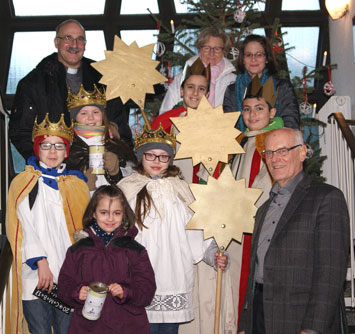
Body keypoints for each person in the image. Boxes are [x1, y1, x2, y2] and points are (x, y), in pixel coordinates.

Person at [118, 123, 228, 334]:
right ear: (141, 156)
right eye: (150, 155)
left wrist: (213, 254)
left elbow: (196, 231)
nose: (157, 161)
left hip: (174, 274)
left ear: (170, 159)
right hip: (139, 275)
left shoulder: (180, 188)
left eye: (163, 156)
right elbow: (114, 228)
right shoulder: (127, 187)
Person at [238, 128, 349, 334]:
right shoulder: (263, 209)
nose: (274, 159)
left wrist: (313, 328)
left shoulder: (326, 198)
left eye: (283, 151)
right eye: (269, 153)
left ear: (302, 152)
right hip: (260, 315)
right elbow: (255, 271)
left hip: (300, 319)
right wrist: (246, 323)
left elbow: (331, 273)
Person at [5, 113, 90, 334]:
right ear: (36, 148)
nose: (52, 152)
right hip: (36, 277)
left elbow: (83, 230)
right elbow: (23, 226)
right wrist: (40, 261)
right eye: (46, 145)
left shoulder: (76, 184)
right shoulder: (24, 182)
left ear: (67, 151)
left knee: (66, 330)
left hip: (67, 277)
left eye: (59, 146)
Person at [9, 19, 132, 161]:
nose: (74, 45)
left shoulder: (104, 78)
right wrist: (42, 163)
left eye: (80, 39)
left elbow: (120, 126)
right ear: (56, 42)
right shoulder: (32, 83)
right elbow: (20, 132)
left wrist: (120, 160)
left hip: (100, 166)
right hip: (53, 170)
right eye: (68, 38)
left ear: (85, 44)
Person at [57, 185, 156, 334]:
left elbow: (147, 291)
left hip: (128, 326)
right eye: (104, 212)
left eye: (116, 213)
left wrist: (126, 292)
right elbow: (64, 287)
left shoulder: (136, 250)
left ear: (124, 214)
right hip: (87, 327)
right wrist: (77, 293)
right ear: (94, 213)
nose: (110, 218)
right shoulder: (77, 250)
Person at [65, 84, 136, 194]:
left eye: (96, 112)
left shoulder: (116, 145)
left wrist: (116, 172)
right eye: (84, 113)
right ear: (74, 118)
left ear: (103, 115)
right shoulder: (68, 147)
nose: (91, 117)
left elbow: (133, 183)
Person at [223, 34, 300, 131]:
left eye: (259, 54)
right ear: (243, 59)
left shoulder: (282, 87)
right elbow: (229, 128)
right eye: (248, 55)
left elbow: (290, 124)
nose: (253, 59)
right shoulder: (232, 91)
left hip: (277, 143)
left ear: (267, 58)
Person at [159, 26, 236, 114]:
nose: (211, 53)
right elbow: (165, 112)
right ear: (199, 50)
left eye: (217, 49)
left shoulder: (233, 81)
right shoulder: (182, 78)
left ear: (224, 52)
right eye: (207, 48)